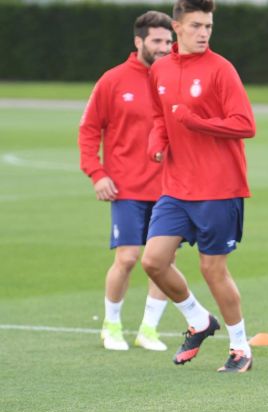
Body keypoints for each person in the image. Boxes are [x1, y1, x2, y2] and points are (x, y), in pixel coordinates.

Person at [141, 0, 256, 373]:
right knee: (154, 261)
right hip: (176, 187)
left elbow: (245, 124)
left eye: (208, 26)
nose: (203, 32)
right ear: (177, 27)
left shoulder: (221, 69)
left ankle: (241, 348)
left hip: (219, 188)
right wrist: (158, 141)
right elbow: (161, 117)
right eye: (196, 26)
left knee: (212, 270)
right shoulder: (159, 69)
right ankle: (199, 319)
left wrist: (197, 121)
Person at [79, 11, 176, 352]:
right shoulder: (113, 80)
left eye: (168, 41)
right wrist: (97, 173)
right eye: (157, 41)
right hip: (126, 187)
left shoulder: (175, 78)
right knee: (128, 257)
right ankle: (111, 325)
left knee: (164, 262)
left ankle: (149, 329)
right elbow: (89, 130)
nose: (165, 48)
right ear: (139, 42)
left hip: (170, 188)